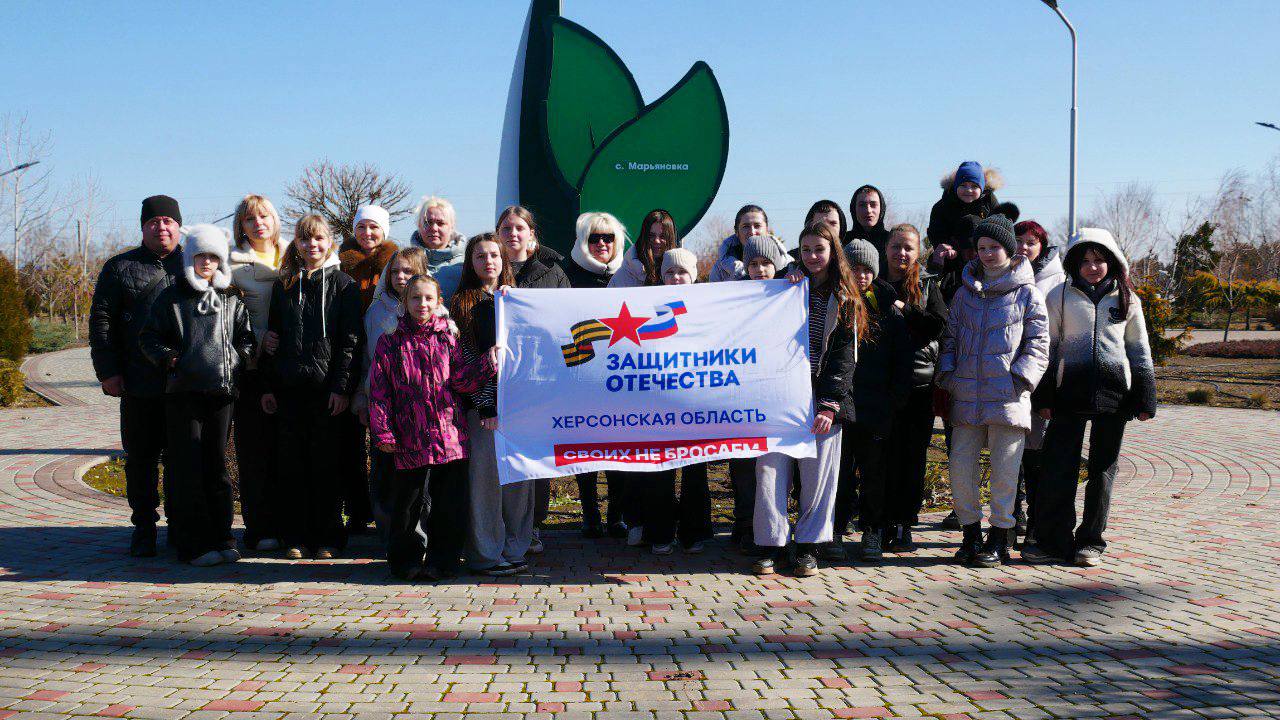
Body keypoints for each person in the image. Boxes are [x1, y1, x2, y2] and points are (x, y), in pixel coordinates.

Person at [1023, 228, 1156, 567]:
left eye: (1099, 260)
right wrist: (1045, 397)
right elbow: (1049, 349)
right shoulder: (1060, 297)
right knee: (1059, 468)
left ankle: (1091, 541)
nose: (1092, 267)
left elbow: (1139, 349)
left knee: (1102, 471)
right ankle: (1055, 540)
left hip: (1114, 397)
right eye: (1085, 261)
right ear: (1074, 264)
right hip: (1069, 394)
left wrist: (1144, 397)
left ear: (1111, 261)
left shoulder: (1127, 299)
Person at [139, 224, 256, 566]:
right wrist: (170, 358)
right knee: (187, 466)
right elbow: (149, 338)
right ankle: (193, 543)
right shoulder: (171, 296)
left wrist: (238, 358)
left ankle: (222, 536)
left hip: (222, 392)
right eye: (201, 255)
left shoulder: (231, 298)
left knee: (216, 466)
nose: (207, 262)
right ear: (191, 257)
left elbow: (245, 337)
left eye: (214, 256)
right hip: (183, 393)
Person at [935, 215, 1049, 568]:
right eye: (982, 247)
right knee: (960, 470)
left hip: (1008, 398)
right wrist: (950, 376)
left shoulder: (1028, 294)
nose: (987, 254)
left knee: (1004, 475)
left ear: (1009, 250)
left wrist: (1020, 380)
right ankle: (970, 534)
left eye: (994, 247)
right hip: (966, 396)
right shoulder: (964, 292)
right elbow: (950, 339)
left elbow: (1039, 343)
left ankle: (1000, 537)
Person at [369, 274, 499, 580]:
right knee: (408, 505)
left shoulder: (448, 338)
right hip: (408, 437)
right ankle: (406, 562)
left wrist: (487, 363)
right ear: (404, 302)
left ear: (438, 301)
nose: (422, 304)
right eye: (415, 298)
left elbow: (461, 381)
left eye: (428, 298)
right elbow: (379, 391)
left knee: (449, 505)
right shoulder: (390, 342)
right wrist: (383, 431)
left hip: (450, 436)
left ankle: (444, 561)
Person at [754, 222, 863, 577]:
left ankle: (807, 547)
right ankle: (771, 544)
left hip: (822, 399)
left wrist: (830, 403)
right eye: (805, 250)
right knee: (770, 471)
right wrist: (784, 283)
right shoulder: (786, 287)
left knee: (819, 479)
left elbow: (846, 356)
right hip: (779, 395)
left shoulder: (845, 297)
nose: (812, 257)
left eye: (819, 249)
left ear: (833, 253)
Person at [259, 215, 363, 560]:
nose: (312, 245)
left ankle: (329, 538)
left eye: (318, 239)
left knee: (326, 467)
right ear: (297, 245)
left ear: (329, 242)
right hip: (291, 390)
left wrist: (342, 388)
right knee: (292, 466)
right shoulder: (285, 283)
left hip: (327, 392)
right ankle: (296, 537)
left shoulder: (344, 285)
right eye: (305, 240)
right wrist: (270, 385)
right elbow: (273, 336)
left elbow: (350, 341)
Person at [89, 195, 185, 557]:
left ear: (179, 225)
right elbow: (102, 321)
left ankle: (181, 526)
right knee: (141, 459)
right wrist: (108, 371)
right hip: (137, 381)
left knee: (181, 459)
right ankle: (143, 526)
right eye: (154, 221)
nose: (161, 227)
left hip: (184, 382)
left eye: (168, 221)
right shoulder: (120, 267)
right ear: (143, 226)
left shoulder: (195, 262)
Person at [450, 232, 534, 576]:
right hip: (484, 412)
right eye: (481, 256)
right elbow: (465, 360)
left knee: (519, 481)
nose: (489, 262)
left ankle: (515, 547)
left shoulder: (520, 300)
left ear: (504, 260)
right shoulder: (462, 303)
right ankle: (485, 554)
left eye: (494, 256)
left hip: (521, 408)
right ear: (471, 263)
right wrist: (486, 405)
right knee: (485, 484)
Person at [825, 238, 911, 563]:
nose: (860, 276)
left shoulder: (889, 311)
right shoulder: (838, 305)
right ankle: (835, 527)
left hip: (877, 409)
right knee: (840, 474)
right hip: (842, 407)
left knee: (873, 474)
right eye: (854, 269)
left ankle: (872, 528)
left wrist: (894, 401)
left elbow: (902, 361)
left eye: (866, 270)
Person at [624, 248, 714, 554]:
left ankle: (695, 532)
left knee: (695, 472)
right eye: (670, 273)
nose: (676, 278)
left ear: (694, 276)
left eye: (683, 272)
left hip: (695, 404)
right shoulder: (648, 308)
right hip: (657, 406)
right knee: (657, 472)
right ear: (662, 276)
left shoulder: (710, 307)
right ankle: (660, 532)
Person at [498, 205, 570, 552]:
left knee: (535, 454)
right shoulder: (488, 269)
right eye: (506, 228)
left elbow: (569, 322)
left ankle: (534, 525)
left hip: (540, 378)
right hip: (497, 378)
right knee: (501, 452)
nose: (513, 234)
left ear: (532, 235)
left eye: (519, 228)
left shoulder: (552, 273)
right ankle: (501, 524)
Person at [353, 247, 431, 539]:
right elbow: (366, 359)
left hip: (424, 413)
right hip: (384, 408)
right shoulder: (375, 312)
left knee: (421, 482)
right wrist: (362, 399)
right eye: (395, 270)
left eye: (408, 271)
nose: (400, 277)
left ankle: (421, 536)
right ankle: (388, 537)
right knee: (384, 474)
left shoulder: (437, 312)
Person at [880, 224, 948, 552]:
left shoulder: (927, 283)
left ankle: (905, 523)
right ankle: (881, 523)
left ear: (917, 250)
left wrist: (906, 309)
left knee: (912, 459)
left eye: (908, 247)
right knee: (883, 458)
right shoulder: (874, 282)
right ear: (886, 248)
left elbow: (938, 326)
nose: (901, 253)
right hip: (881, 386)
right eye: (896, 246)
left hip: (919, 385)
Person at [561, 212, 629, 538]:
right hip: (582, 373)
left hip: (621, 377)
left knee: (618, 448)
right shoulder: (565, 274)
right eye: (593, 238)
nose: (601, 244)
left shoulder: (630, 275)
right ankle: (590, 513)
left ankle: (616, 515)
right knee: (585, 449)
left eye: (608, 238)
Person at [227, 194, 287, 553]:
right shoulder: (232, 266)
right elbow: (228, 319)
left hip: (293, 368)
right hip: (252, 368)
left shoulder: (297, 256)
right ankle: (260, 526)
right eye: (250, 219)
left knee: (288, 450)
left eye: (264, 216)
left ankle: (289, 523)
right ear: (241, 227)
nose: (259, 223)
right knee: (255, 451)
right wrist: (259, 339)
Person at [336, 205, 398, 535]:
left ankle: (384, 511)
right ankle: (357, 510)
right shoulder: (341, 264)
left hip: (380, 355)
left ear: (384, 231)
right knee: (350, 444)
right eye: (362, 227)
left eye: (374, 227)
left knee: (384, 442)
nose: (368, 234)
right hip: (348, 355)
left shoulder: (396, 263)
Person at [1012, 220, 1066, 542]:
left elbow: (1055, 339)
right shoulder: (1004, 275)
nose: (1024, 247)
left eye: (1031, 242)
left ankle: (1035, 518)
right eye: (1018, 241)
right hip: (1011, 380)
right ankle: (1013, 513)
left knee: (1036, 454)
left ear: (1042, 246)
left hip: (1043, 384)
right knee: (1011, 451)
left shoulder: (1057, 282)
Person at [926, 162, 1019, 302]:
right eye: (963, 185)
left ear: (982, 188)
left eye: (974, 186)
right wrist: (946, 247)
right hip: (954, 257)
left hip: (983, 255)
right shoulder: (943, 205)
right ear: (955, 185)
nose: (968, 190)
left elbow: (1000, 226)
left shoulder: (989, 202)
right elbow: (936, 231)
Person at [710, 204, 787, 282]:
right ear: (736, 231)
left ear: (767, 229)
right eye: (746, 226)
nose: (752, 232)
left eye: (757, 226)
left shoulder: (788, 264)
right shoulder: (720, 269)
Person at [409, 196, 466, 300]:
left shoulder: (469, 263)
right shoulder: (404, 261)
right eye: (428, 222)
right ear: (419, 225)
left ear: (451, 227)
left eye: (440, 223)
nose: (434, 228)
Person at [610, 209, 679, 288]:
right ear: (643, 237)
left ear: (670, 239)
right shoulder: (622, 277)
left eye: (663, 236)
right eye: (651, 235)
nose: (657, 241)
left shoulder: (681, 275)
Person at [845, 185, 890, 266]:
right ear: (854, 209)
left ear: (881, 209)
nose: (868, 210)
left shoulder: (891, 241)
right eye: (862, 205)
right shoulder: (843, 241)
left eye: (873, 205)